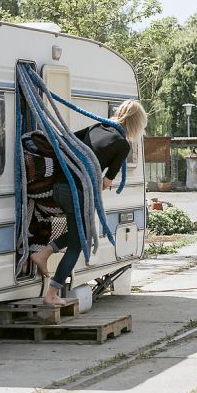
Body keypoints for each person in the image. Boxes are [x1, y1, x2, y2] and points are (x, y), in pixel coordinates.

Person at [29, 99, 148, 306]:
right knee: (78, 243)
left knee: (79, 233)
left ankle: (44, 253)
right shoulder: (122, 144)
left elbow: (69, 143)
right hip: (77, 192)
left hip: (58, 187)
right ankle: (52, 293)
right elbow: (105, 182)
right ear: (136, 124)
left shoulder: (96, 127)